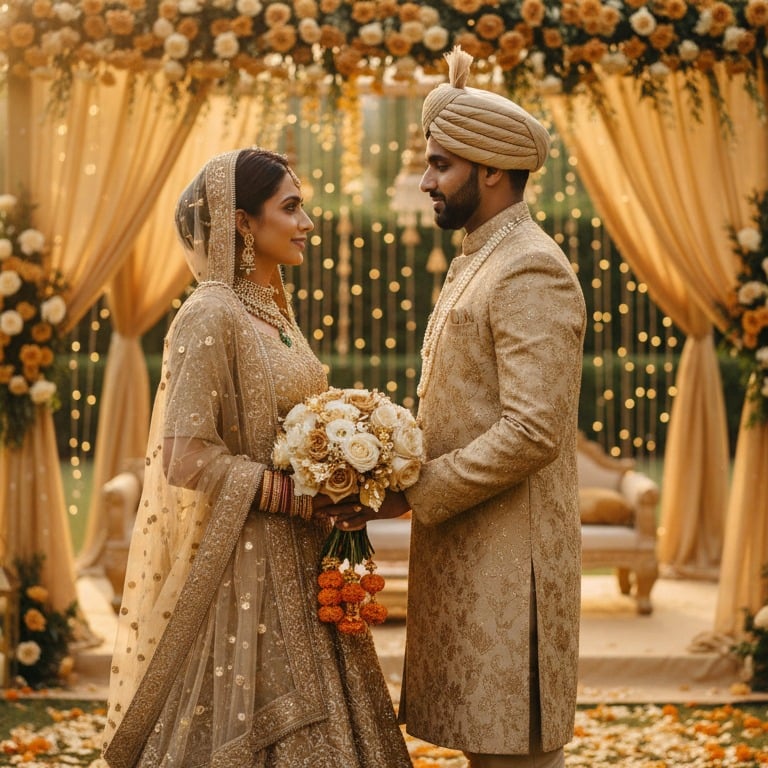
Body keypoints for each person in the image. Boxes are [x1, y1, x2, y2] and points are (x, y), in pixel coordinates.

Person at [100, 148, 412, 768]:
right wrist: (294, 494)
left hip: (304, 553)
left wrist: (347, 468)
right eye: (291, 208)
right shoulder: (209, 312)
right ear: (243, 222)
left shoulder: (274, 312)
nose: (307, 223)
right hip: (247, 566)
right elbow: (184, 457)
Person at [338, 47, 587, 767]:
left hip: (511, 567)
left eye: (440, 165)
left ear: (492, 170)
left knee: (514, 756)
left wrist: (417, 490)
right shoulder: (482, 256)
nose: (424, 182)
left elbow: (533, 429)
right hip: (473, 556)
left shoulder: (530, 266)